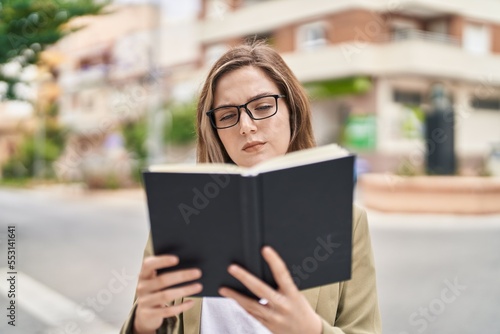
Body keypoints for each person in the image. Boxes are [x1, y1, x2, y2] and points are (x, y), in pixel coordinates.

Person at [120, 42, 381, 334]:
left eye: (263, 106)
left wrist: (312, 330)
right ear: (215, 131)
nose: (246, 125)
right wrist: (143, 323)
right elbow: (149, 322)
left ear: (292, 112)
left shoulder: (345, 219)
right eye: (228, 115)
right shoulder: (181, 216)